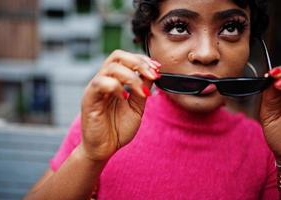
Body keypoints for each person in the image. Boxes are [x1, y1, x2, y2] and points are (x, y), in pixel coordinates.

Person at [24, 0, 281, 199]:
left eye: (230, 27)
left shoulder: (264, 147)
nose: (206, 54)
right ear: (147, 41)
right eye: (179, 27)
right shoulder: (107, 120)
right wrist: (90, 156)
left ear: (251, 42)